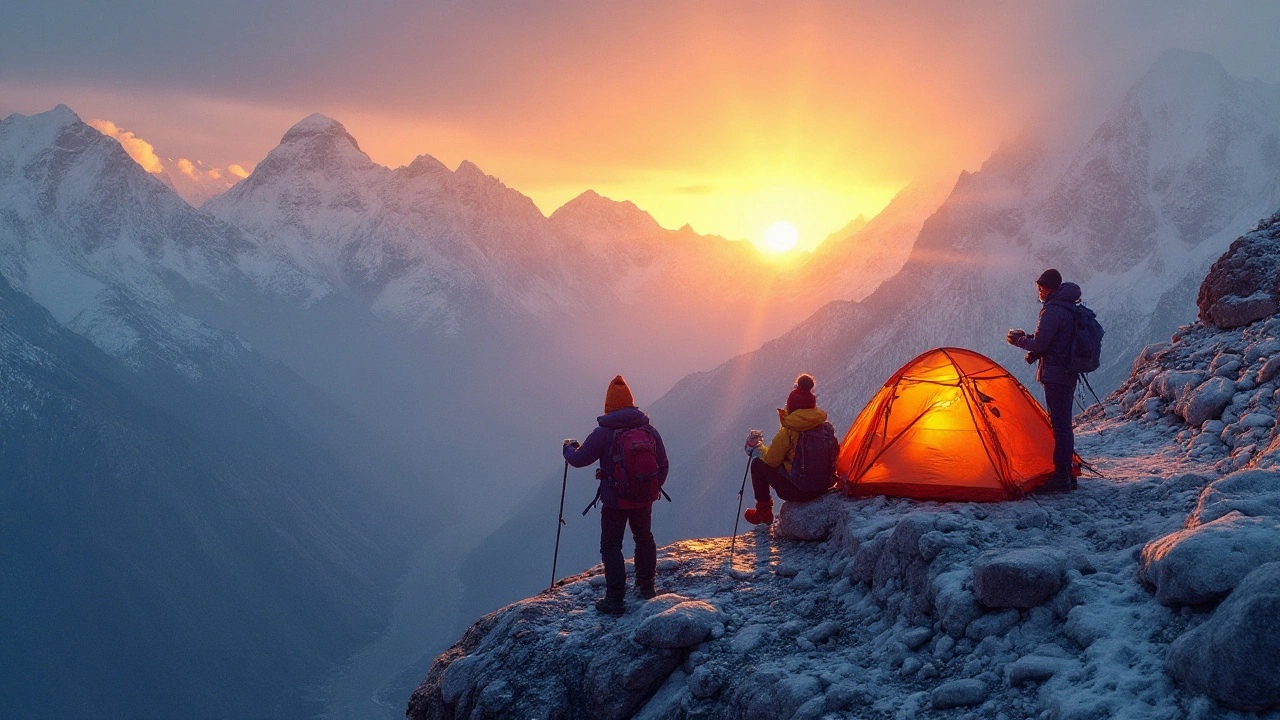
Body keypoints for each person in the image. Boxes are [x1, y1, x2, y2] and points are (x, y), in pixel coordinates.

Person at [563, 375, 669, 616]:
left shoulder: (603, 433)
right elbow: (663, 464)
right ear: (631, 402)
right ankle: (646, 587)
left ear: (608, 405)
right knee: (644, 539)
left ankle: (615, 599)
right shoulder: (649, 430)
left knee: (611, 547)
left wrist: (568, 449)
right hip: (644, 499)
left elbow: (578, 460)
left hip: (615, 501)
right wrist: (650, 490)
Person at [1006, 268, 1081, 493]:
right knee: (1064, 424)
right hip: (1067, 372)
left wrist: (1019, 341)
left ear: (1048, 289)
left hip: (1056, 375)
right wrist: (1034, 347)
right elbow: (1054, 341)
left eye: (1040, 289)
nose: (1038, 293)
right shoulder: (1069, 307)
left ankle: (1061, 476)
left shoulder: (1052, 311)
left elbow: (1040, 343)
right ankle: (1067, 473)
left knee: (1059, 426)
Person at [741, 373, 836, 525]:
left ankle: (763, 512)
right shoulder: (824, 428)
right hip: (823, 487)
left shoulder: (789, 432)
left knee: (757, 466)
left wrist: (757, 449)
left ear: (792, 407)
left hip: (799, 491)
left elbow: (771, 462)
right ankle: (763, 512)